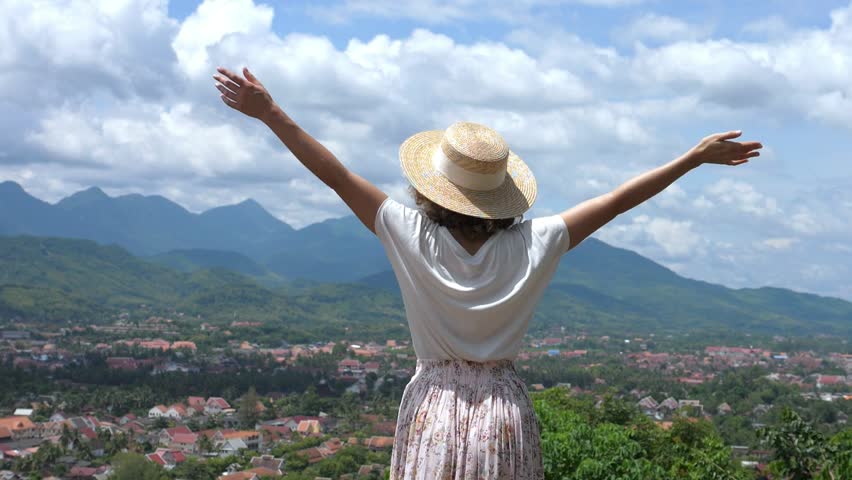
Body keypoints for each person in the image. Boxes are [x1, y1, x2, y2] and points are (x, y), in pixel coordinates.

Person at [213, 66, 762, 479]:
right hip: (503, 410)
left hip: (433, 404)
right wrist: (691, 158)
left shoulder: (408, 233)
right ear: (504, 194)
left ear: (433, 186)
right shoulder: (537, 242)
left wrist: (271, 114)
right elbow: (617, 200)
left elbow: (333, 173)